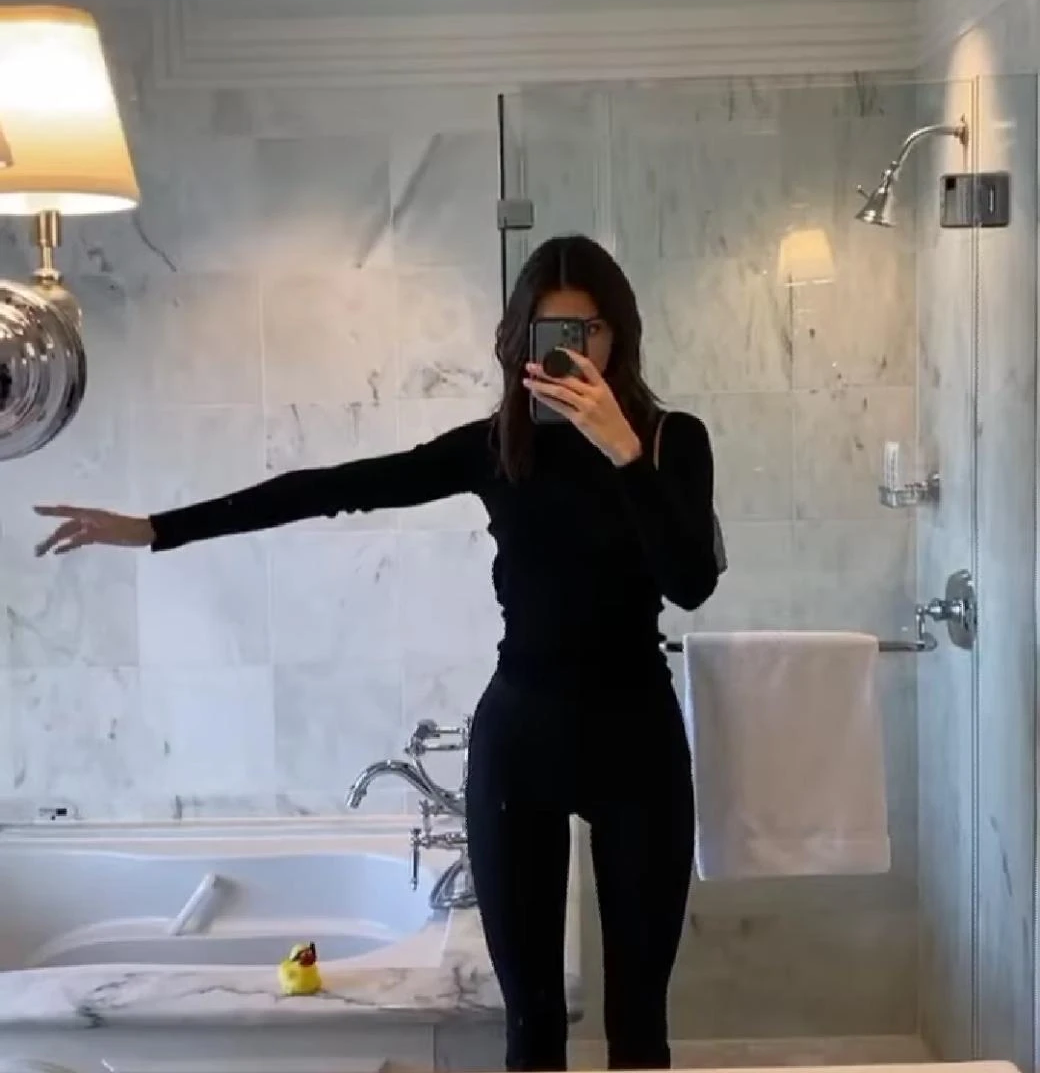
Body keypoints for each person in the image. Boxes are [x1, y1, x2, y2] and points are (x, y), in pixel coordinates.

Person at [34, 235, 720, 1072]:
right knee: (532, 1029)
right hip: (522, 743)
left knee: (639, 1030)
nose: (578, 353)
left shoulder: (671, 441)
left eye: (593, 331)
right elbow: (336, 488)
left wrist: (624, 453)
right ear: (522, 342)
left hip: (637, 742)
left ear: (621, 335)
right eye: (556, 333)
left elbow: (691, 583)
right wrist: (155, 530)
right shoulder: (498, 448)